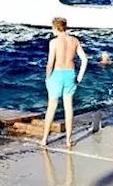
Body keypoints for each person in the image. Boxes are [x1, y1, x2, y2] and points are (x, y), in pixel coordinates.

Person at [41, 16, 87, 148]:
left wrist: (47, 78)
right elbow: (84, 60)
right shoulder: (74, 40)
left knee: (52, 107)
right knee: (68, 107)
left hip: (57, 74)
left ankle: (44, 139)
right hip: (70, 74)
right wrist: (79, 77)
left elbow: (50, 64)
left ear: (56, 28)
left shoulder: (54, 42)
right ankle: (68, 140)